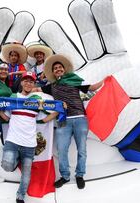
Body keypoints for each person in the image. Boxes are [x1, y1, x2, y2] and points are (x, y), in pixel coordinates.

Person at [34, 54, 104, 189]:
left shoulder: (75, 81)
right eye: (55, 68)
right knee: (61, 150)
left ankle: (80, 175)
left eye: (60, 67)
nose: (58, 69)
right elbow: (36, 89)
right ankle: (65, 176)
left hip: (80, 119)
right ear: (53, 72)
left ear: (64, 69)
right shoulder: (52, 86)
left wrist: (106, 79)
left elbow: (93, 88)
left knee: (82, 150)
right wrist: (22, 92)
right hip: (63, 120)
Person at [0, 72, 58, 203]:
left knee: (26, 174)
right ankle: (15, 159)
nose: (28, 83)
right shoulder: (13, 97)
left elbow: (46, 117)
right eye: (26, 80)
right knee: (7, 166)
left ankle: (20, 196)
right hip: (12, 141)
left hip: (30, 144)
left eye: (31, 81)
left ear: (33, 84)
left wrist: (59, 110)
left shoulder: (36, 101)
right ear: (22, 82)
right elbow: (7, 117)